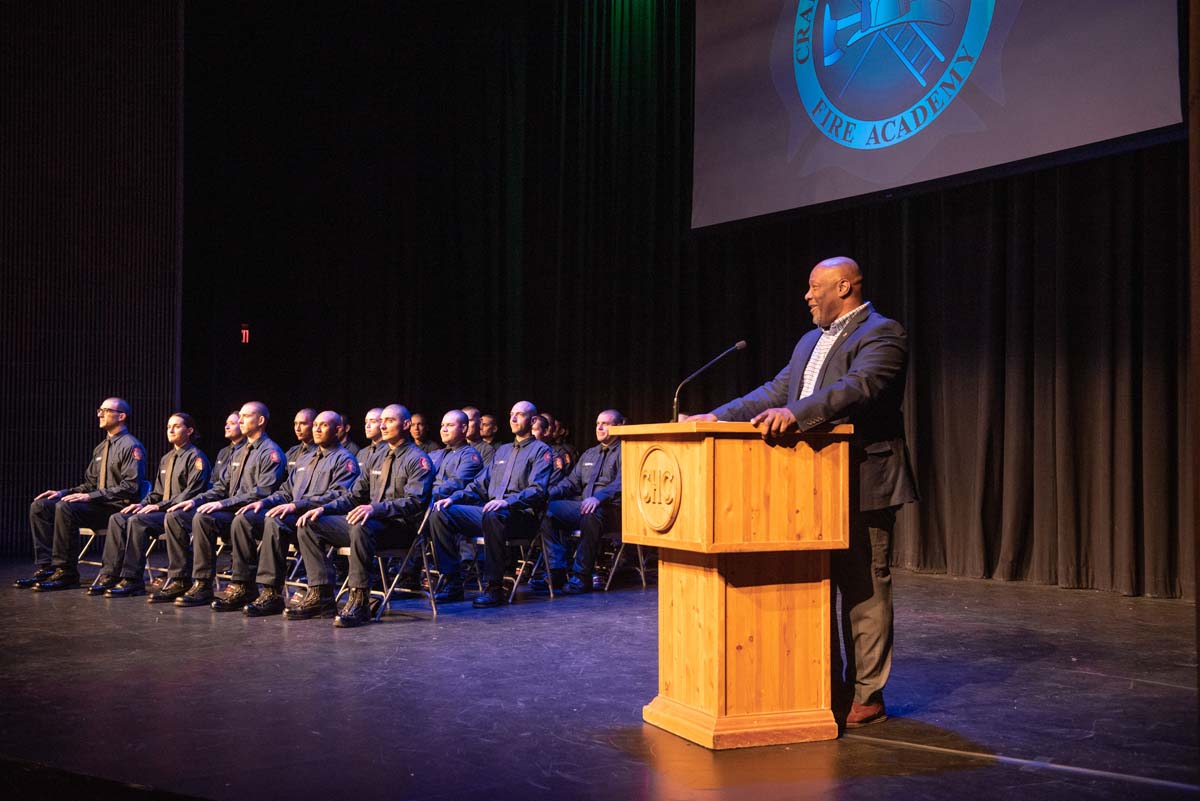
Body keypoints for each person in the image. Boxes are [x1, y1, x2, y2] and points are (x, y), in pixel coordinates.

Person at [688, 256, 917, 729]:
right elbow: (777, 389)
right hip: (806, 485)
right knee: (813, 588)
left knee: (863, 590)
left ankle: (867, 692)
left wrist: (799, 415)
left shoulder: (883, 333)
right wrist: (718, 416)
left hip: (860, 482)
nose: (807, 296)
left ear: (845, 286)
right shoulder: (810, 340)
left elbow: (859, 387)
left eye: (815, 287)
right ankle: (822, 685)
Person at [290, 404, 432, 627]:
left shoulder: (418, 459)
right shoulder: (377, 457)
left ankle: (360, 599)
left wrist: (374, 509)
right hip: (371, 525)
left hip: (400, 529)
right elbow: (354, 495)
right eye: (381, 421)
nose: (382, 425)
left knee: (361, 525)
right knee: (310, 523)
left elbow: (414, 502)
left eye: (390, 421)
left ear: (406, 425)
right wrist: (324, 509)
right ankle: (322, 595)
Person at [219, 410, 360, 613]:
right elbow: (286, 491)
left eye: (324, 425)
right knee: (245, 518)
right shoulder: (305, 459)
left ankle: (280, 592)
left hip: (320, 519)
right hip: (294, 517)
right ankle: (245, 586)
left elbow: (338, 496)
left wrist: (298, 505)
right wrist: (264, 502)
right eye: (316, 425)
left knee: (276, 521)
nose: (317, 429)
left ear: (338, 430)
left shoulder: (344, 460)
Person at [152, 401, 286, 605]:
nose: (240, 420)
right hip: (233, 510)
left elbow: (262, 491)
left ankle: (244, 586)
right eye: (239, 416)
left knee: (241, 519)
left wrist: (223, 504)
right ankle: (196, 583)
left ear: (260, 421)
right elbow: (222, 486)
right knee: (188, 516)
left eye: (245, 416)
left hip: (256, 513)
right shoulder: (239, 451)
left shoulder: (271, 452)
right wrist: (195, 500)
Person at [428, 401, 552, 608]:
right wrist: (453, 498)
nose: (513, 419)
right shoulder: (502, 451)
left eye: (519, 415)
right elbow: (479, 485)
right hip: (491, 513)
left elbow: (538, 490)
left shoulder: (541, 450)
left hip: (521, 516)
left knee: (494, 515)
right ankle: (452, 581)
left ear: (532, 421)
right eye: (511, 414)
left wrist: (507, 502)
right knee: (441, 512)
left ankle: (494, 587)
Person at [17, 398, 147, 591]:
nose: (100, 414)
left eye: (105, 410)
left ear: (121, 416)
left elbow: (131, 487)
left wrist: (90, 497)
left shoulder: (131, 446)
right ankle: (48, 567)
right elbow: (89, 484)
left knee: (66, 508)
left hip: (116, 508)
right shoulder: (101, 448)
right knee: (42, 505)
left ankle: (66, 572)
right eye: (99, 410)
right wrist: (62, 492)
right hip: (97, 505)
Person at [90, 413, 211, 598]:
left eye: (176, 426)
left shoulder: (196, 458)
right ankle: (111, 574)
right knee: (119, 517)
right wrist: (142, 504)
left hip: (180, 513)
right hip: (162, 511)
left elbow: (192, 493)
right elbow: (156, 492)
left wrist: (159, 506)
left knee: (138, 522)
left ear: (190, 430)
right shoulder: (166, 458)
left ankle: (133, 580)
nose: (170, 430)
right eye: (168, 426)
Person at [540, 409, 624, 594]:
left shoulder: (626, 452)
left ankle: (582, 576)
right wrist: (548, 494)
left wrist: (599, 498)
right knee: (547, 510)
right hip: (586, 507)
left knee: (591, 514)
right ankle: (557, 570)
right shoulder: (590, 454)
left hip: (613, 511)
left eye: (606, 424)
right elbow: (571, 482)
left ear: (619, 427)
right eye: (597, 424)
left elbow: (623, 482)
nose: (600, 427)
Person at [356, 407, 385, 472]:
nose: (367, 426)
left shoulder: (389, 452)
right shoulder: (362, 453)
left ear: (383, 424)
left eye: (373, 422)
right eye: (366, 422)